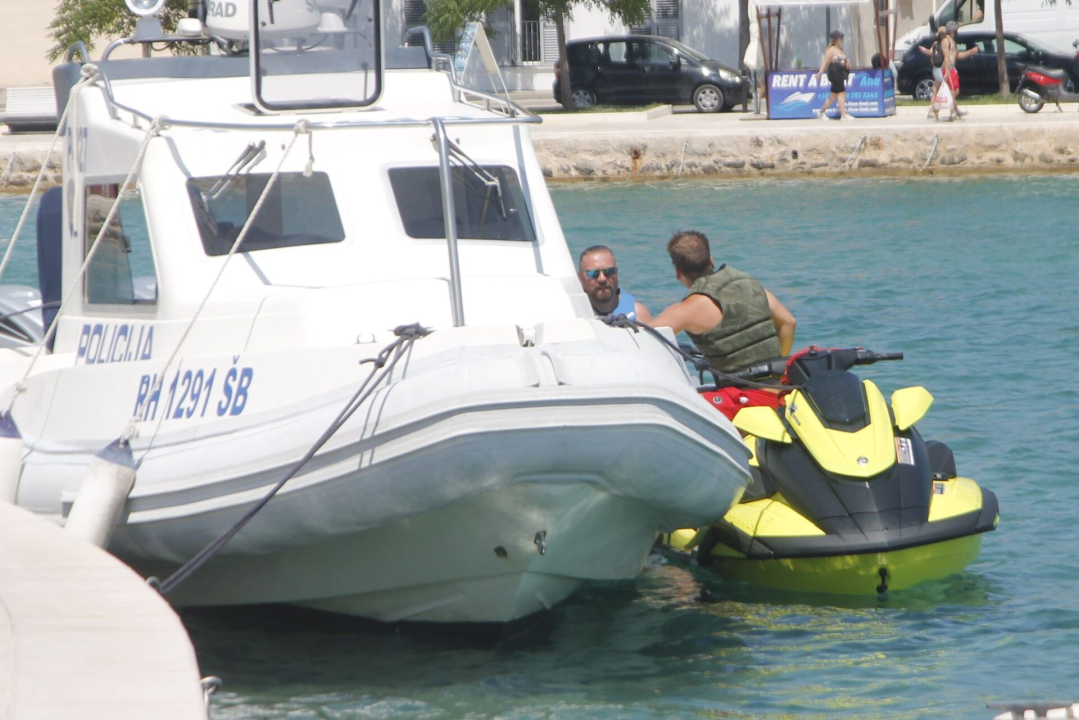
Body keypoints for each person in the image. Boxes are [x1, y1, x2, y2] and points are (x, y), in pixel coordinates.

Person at [644, 230, 797, 420]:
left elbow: (644, 336)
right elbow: (789, 322)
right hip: (782, 390)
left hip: (744, 399)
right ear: (711, 260)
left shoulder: (689, 308)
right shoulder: (750, 285)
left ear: (678, 272)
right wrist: (776, 368)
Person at [577, 244, 653, 321]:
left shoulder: (638, 314)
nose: (602, 279)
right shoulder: (572, 314)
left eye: (609, 271)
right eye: (593, 273)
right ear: (580, 278)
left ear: (616, 273)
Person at [814, 30, 853, 121]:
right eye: (840, 38)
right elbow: (825, 62)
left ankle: (821, 112)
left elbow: (843, 60)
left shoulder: (840, 50)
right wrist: (820, 73)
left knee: (833, 96)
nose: (842, 40)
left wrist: (847, 63)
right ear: (835, 39)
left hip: (841, 73)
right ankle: (843, 115)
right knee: (841, 92)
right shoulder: (831, 50)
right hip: (834, 73)